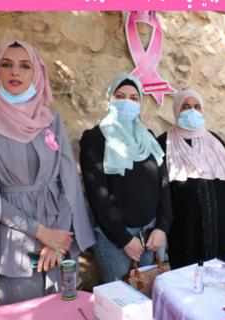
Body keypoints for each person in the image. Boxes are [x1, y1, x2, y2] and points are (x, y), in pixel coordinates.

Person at [0, 40, 95, 305]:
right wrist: (40, 232)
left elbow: (68, 181)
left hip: (58, 238)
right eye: (6, 64)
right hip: (14, 243)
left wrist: (59, 237)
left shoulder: (51, 119)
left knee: (62, 309)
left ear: (37, 73)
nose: (15, 72)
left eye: (24, 65)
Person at [79, 74, 171, 283]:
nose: (126, 102)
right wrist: (123, 238)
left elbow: (163, 184)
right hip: (115, 239)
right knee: (122, 303)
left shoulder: (147, 136)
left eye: (133, 98)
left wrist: (162, 227)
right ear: (110, 99)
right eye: (119, 96)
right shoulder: (95, 138)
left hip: (152, 234)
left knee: (154, 296)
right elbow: (97, 194)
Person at [157, 89, 225, 269]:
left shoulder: (215, 141)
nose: (192, 112)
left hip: (221, 222)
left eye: (196, 107)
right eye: (185, 107)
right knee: (187, 273)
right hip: (185, 224)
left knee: (222, 273)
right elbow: (160, 189)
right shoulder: (164, 142)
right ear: (176, 110)